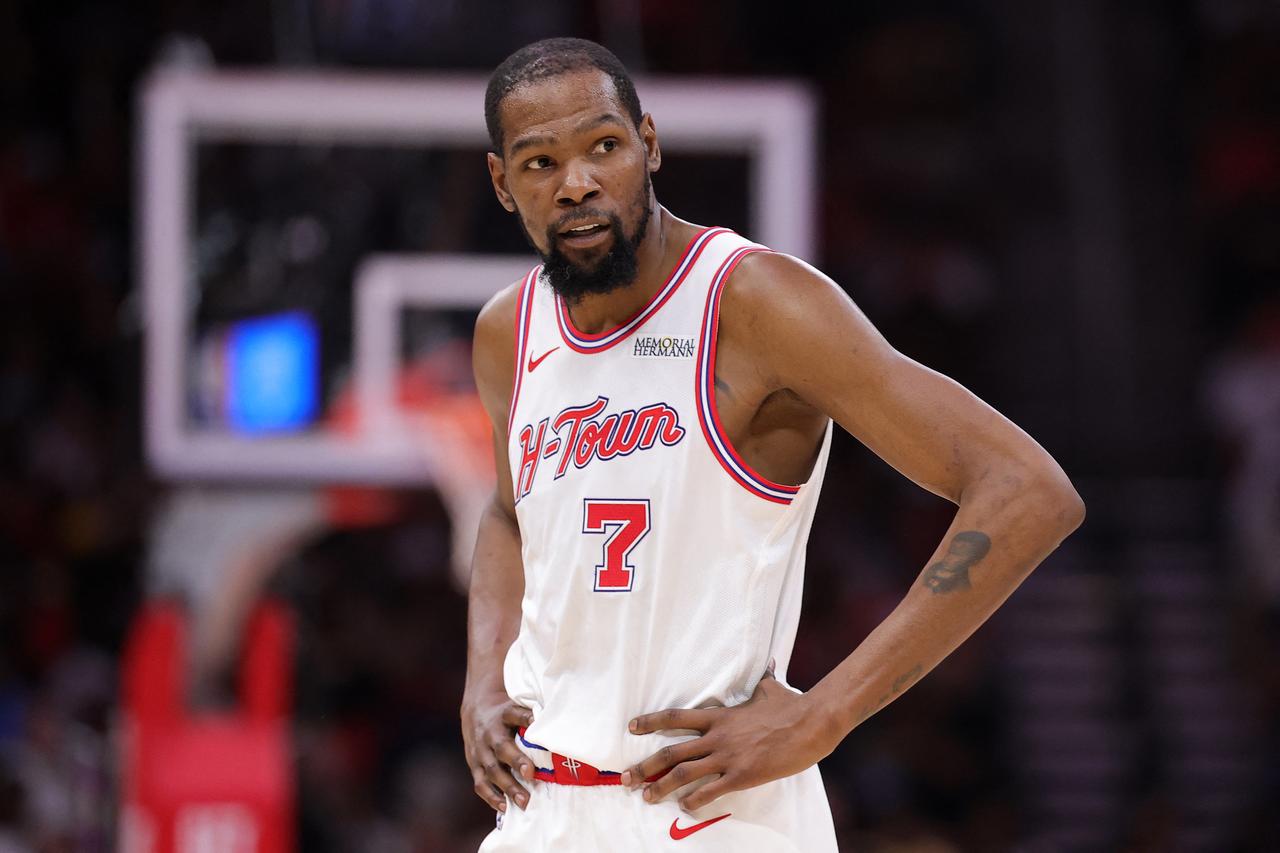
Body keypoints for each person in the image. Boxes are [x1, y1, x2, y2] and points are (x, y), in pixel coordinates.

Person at [460, 37, 1084, 852]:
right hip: (544, 811)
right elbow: (511, 515)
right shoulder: (508, 330)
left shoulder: (755, 304)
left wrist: (826, 714)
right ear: (504, 183)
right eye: (540, 162)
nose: (577, 183)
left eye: (603, 147)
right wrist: (481, 678)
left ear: (649, 144)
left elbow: (1029, 490)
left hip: (714, 809)